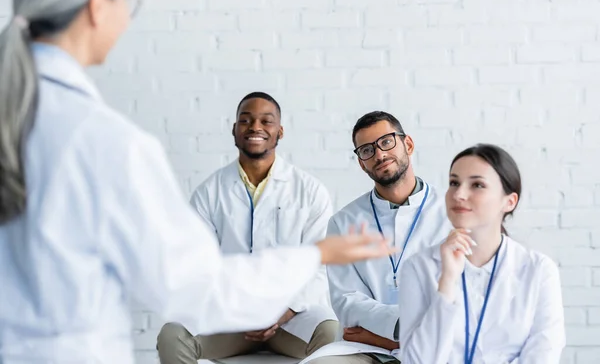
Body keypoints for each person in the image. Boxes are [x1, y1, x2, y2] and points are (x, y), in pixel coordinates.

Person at [0, 0, 395, 363]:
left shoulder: (29, 120)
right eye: (127, 0)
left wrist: (288, 301)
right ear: (96, 5)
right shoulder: (108, 143)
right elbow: (193, 286)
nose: (126, 15)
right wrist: (319, 254)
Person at [157, 92, 339, 363]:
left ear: (280, 131)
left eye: (266, 121)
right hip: (230, 319)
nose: (255, 127)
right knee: (172, 336)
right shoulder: (209, 192)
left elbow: (321, 265)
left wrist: (284, 311)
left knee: (331, 333)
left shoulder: (310, 191)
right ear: (234, 129)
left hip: (291, 318)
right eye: (246, 120)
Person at [397, 144, 565, 364]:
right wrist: (447, 282)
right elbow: (416, 361)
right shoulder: (418, 267)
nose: (459, 194)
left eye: (477, 184)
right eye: (454, 183)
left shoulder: (539, 270)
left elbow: (543, 355)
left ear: (509, 202)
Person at [306, 111, 451, 364]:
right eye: (367, 150)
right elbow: (347, 301)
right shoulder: (343, 222)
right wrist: (396, 327)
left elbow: (457, 300)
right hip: (364, 348)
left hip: (437, 345)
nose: (379, 155)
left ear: (408, 144)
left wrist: (387, 337)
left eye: (386, 142)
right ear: (362, 163)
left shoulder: (451, 213)